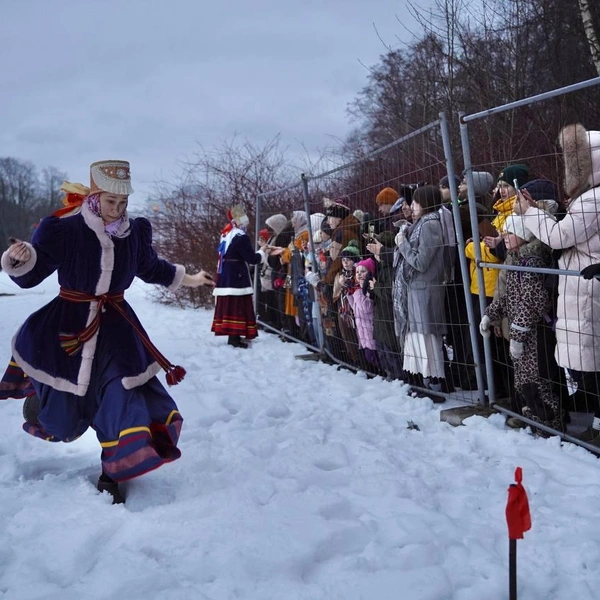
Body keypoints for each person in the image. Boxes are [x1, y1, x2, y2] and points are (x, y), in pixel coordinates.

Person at [1, 160, 215, 504]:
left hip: (116, 330)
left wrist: (186, 278)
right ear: (95, 196)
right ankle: (41, 405)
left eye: (123, 202)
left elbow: (149, 267)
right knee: (65, 422)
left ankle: (111, 474)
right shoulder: (64, 228)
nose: (117, 209)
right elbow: (31, 274)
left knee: (122, 396)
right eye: (111, 201)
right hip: (67, 327)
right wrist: (17, 259)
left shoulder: (134, 231)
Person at [514, 124, 600, 444]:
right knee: (587, 366)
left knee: (590, 367)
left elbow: (559, 235)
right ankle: (594, 428)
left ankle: (597, 431)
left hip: (587, 291)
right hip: (583, 289)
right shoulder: (590, 198)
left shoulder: (593, 200)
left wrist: (529, 213)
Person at [480, 214, 562, 432]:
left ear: (524, 235)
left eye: (510, 233)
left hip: (535, 332)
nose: (503, 237)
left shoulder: (532, 261)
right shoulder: (516, 259)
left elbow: (534, 300)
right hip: (522, 332)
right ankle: (534, 417)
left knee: (539, 380)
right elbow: (509, 296)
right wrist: (491, 314)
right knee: (524, 380)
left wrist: (518, 333)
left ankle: (550, 424)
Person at [395, 185, 449, 396]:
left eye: (416, 202)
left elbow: (421, 261)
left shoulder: (429, 224)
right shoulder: (420, 223)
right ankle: (425, 382)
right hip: (417, 289)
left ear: (425, 203)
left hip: (425, 289)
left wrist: (402, 244)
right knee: (419, 338)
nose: (412, 206)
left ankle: (434, 384)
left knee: (428, 339)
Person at [212, 205, 266, 349]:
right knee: (237, 304)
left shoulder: (226, 234)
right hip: (237, 275)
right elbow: (252, 258)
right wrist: (262, 251)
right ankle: (234, 338)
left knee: (230, 304)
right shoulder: (240, 236)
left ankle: (233, 336)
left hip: (225, 274)